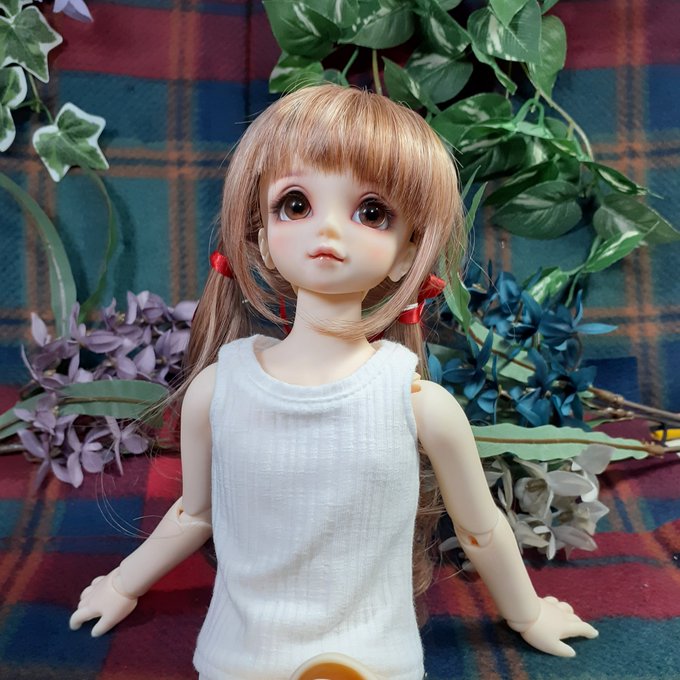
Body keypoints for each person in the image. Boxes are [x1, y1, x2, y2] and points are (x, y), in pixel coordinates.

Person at [69, 84, 598, 680]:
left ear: (407, 255)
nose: (327, 230)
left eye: (372, 213)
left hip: (370, 656)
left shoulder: (417, 404)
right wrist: (121, 584)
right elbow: (196, 513)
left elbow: (481, 529)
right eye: (295, 204)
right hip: (243, 655)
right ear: (262, 240)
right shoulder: (218, 390)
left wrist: (529, 614)